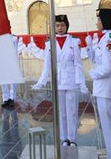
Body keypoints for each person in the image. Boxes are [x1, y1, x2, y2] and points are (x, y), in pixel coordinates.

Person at [32, 15, 88, 147]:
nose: (60, 28)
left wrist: (82, 83)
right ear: (54, 27)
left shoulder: (74, 41)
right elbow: (47, 64)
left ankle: (73, 139)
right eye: (57, 25)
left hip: (72, 80)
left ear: (66, 26)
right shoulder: (49, 42)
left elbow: (78, 64)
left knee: (72, 112)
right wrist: (41, 81)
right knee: (61, 112)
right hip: (58, 81)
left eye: (62, 25)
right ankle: (64, 138)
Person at [87, 9, 111, 159]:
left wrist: (93, 74)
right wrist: (90, 46)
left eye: (99, 20)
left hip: (106, 85)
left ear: (106, 21)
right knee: (107, 126)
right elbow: (96, 59)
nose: (97, 23)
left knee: (110, 126)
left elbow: (107, 67)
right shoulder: (104, 38)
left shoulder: (109, 38)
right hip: (103, 87)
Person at [2, 34, 20, 108]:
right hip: (2, 61)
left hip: (12, 61)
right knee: (3, 81)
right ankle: (6, 98)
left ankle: (12, 98)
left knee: (12, 81)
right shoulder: (0, 39)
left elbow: (16, 51)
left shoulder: (14, 38)